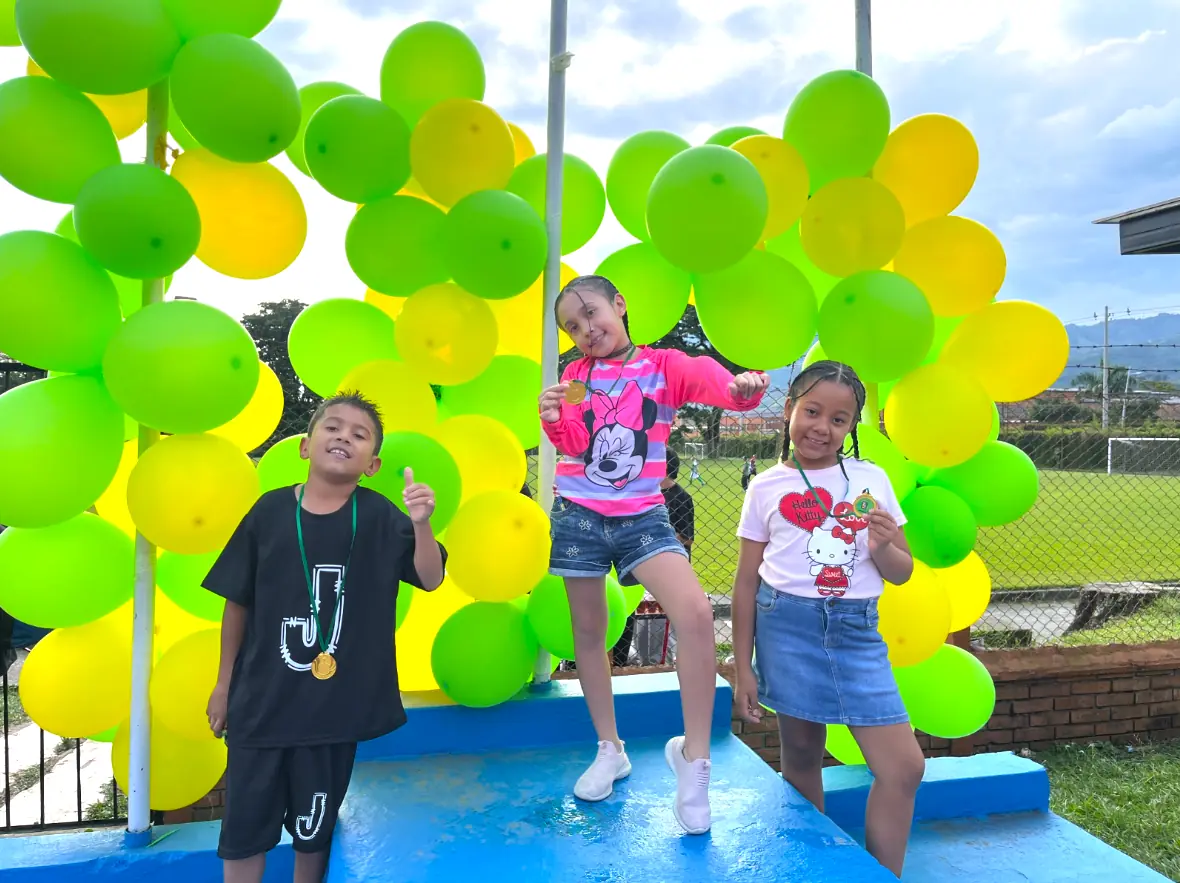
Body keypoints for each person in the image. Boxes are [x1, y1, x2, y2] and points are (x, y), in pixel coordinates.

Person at [538, 274, 768, 835]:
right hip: (579, 514)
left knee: (691, 614)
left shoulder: (663, 366)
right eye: (572, 326)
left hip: (643, 514)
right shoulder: (572, 376)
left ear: (619, 305)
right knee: (588, 636)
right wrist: (550, 416)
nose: (584, 330)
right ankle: (609, 749)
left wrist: (743, 390)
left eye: (591, 314)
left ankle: (694, 761)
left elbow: (717, 385)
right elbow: (572, 444)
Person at [203, 392, 446, 883]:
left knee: (314, 838)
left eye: (359, 435)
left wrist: (421, 525)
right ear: (305, 446)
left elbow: (431, 576)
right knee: (243, 837)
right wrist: (224, 685)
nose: (343, 438)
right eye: (333, 428)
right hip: (261, 709)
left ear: (373, 463)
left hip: (333, 715)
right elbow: (238, 603)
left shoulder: (378, 516)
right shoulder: (269, 512)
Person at [730, 361, 924, 878]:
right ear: (789, 409)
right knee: (800, 756)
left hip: (856, 633)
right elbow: (746, 581)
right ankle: (810, 868)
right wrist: (742, 665)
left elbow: (900, 572)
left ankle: (886, 874)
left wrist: (883, 545)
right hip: (784, 628)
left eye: (839, 419)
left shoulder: (871, 479)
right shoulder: (766, 487)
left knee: (904, 768)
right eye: (812, 411)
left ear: (852, 428)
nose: (822, 427)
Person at [610, 449, 695, 667]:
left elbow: (687, 538)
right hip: (640, 565)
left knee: (662, 624)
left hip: (667, 569)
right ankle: (632, 659)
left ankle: (662, 665)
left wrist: (656, 535)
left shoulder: (681, 497)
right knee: (638, 620)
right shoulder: (644, 495)